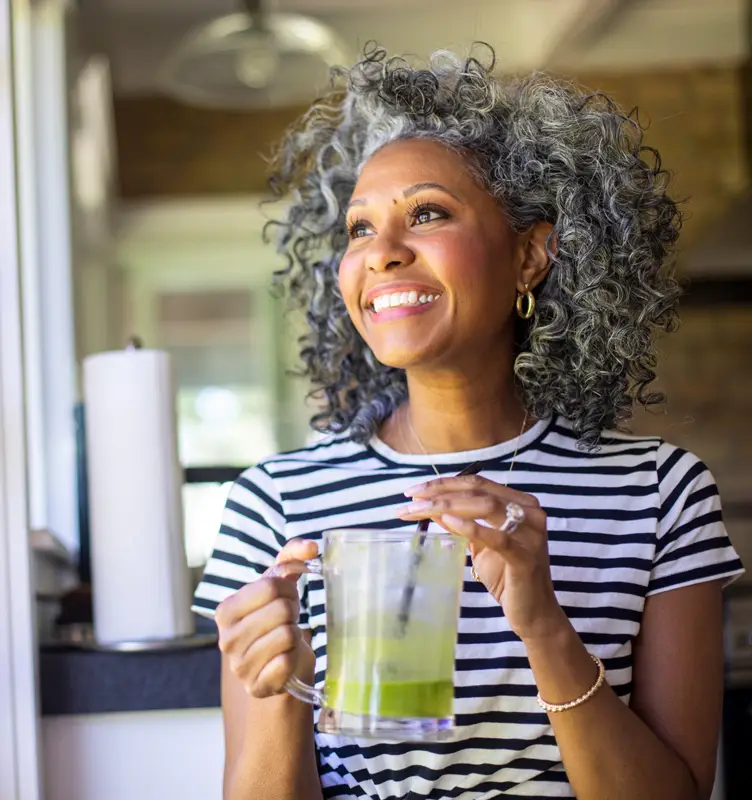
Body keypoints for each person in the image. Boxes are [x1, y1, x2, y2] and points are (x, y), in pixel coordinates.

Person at [192, 44, 744, 800]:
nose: (381, 254)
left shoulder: (658, 494)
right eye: (358, 229)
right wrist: (281, 693)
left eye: (427, 214)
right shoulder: (276, 503)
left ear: (530, 255)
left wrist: (543, 624)